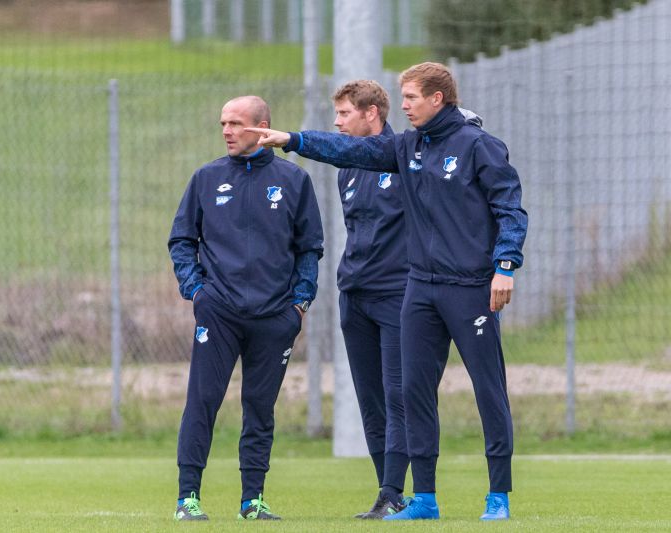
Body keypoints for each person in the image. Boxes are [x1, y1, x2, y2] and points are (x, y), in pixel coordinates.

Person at [247, 62, 528, 521]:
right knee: (412, 393)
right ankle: (425, 499)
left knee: (488, 389)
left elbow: (510, 209)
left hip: (470, 287)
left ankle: (498, 495)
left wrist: (505, 265)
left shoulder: (479, 146)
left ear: (437, 98)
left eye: (412, 98)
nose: (405, 106)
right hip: (420, 288)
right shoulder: (406, 147)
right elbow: (349, 149)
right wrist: (294, 140)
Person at [168, 95, 324, 521]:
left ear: (263, 126)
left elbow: (310, 248)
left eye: (236, 123)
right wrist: (197, 292)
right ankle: (187, 499)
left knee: (259, 408)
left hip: (275, 318)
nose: (227, 131)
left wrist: (299, 304)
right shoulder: (206, 178)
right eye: (223, 123)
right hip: (219, 313)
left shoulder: (294, 180)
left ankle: (252, 501)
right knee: (203, 401)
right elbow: (182, 240)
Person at [328, 80, 411, 519]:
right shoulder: (348, 167)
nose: (337, 122)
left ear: (371, 113)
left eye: (344, 114)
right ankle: (387, 492)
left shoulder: (403, 158)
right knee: (371, 400)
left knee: (399, 396)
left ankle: (394, 491)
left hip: (397, 294)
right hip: (354, 296)